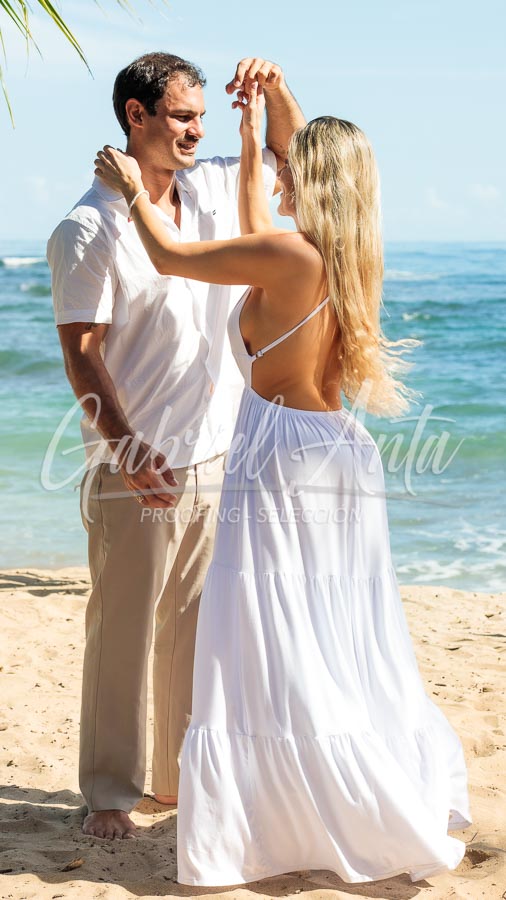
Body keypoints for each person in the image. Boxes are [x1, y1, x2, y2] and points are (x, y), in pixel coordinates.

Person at [94, 83, 472, 884]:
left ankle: (299, 805)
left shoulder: (289, 256)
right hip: (330, 451)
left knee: (272, 627)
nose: (280, 170)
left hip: (280, 457)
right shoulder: (332, 257)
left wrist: (131, 189)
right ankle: (312, 793)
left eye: (291, 164)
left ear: (316, 177)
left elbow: (169, 256)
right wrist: (250, 126)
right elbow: (256, 224)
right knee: (323, 628)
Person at [47, 52, 305, 840]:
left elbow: (293, 153)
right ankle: (109, 792)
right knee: (123, 629)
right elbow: (82, 353)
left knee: (194, 629)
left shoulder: (217, 187)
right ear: (137, 116)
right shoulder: (88, 227)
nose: (197, 131)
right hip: (134, 465)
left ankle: (174, 777)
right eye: (182, 117)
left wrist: (276, 89)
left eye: (201, 117)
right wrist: (125, 447)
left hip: (215, 454)